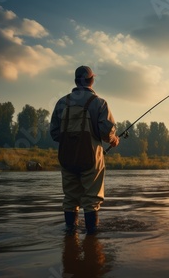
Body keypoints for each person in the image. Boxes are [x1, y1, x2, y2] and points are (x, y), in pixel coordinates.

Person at [50, 65, 119, 235]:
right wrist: (114, 140)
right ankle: (92, 237)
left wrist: (72, 140)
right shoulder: (99, 103)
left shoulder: (61, 103)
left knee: (70, 199)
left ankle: (69, 234)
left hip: (67, 158)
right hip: (91, 159)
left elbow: (54, 134)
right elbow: (106, 133)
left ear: (75, 81)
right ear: (92, 80)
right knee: (91, 200)